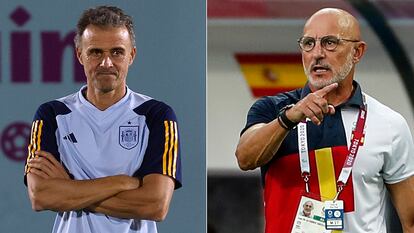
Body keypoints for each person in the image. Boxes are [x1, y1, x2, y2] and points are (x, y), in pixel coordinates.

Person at [235, 8, 414, 233]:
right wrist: (288, 119)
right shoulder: (272, 109)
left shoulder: (390, 124)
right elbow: (245, 158)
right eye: (309, 43)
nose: (317, 53)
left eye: (330, 43)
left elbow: (411, 221)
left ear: (357, 52)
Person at [24, 5, 181, 233]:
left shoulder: (157, 115)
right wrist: (122, 182)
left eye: (116, 52)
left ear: (131, 56)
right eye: (96, 52)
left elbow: (156, 205)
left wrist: (69, 190)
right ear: (80, 55)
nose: (106, 63)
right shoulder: (52, 115)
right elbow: (41, 196)